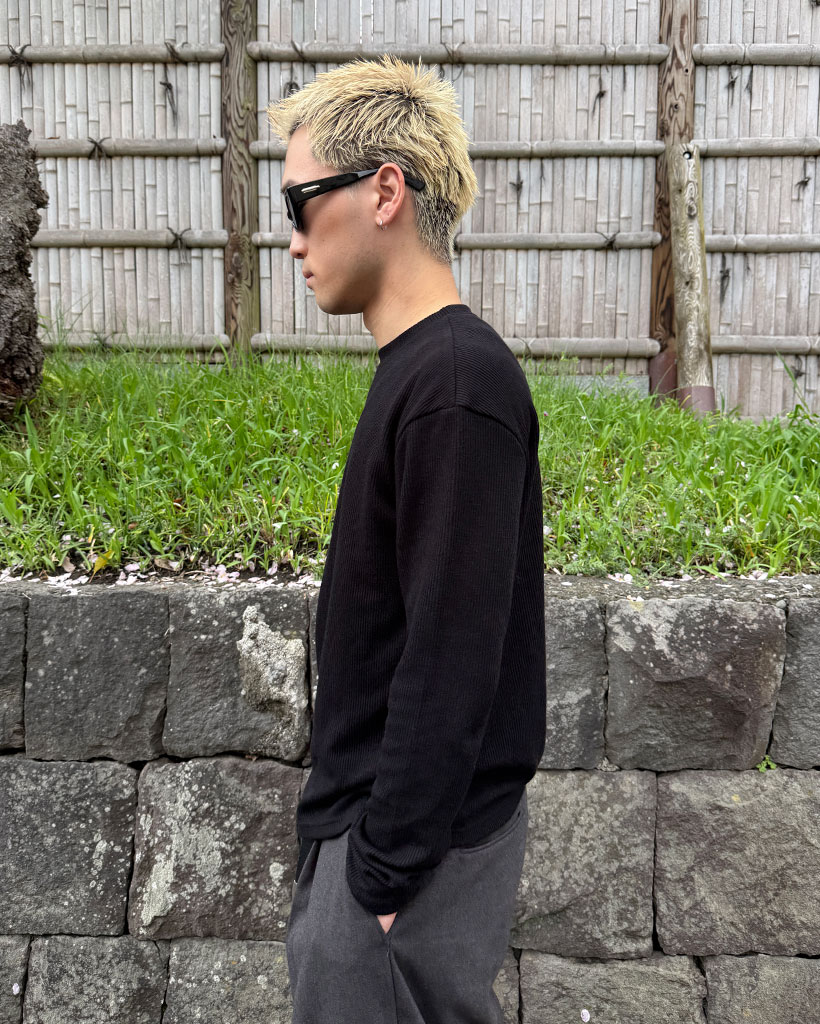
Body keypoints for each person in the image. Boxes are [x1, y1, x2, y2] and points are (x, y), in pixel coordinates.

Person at [267, 54, 546, 1023]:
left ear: (383, 191)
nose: (292, 240)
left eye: (299, 202)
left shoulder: (455, 385)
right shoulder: (426, 372)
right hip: (378, 852)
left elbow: (453, 651)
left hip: (400, 873)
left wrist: (379, 880)